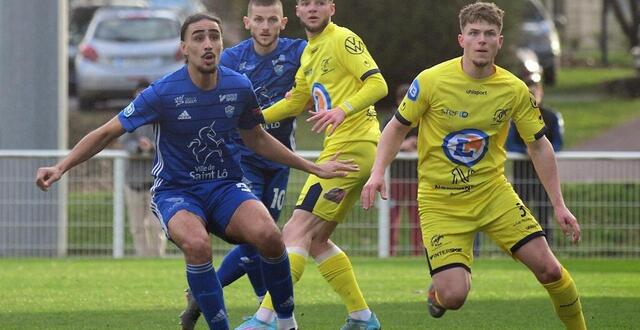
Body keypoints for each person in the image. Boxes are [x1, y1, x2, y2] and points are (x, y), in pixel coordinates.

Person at [36, 13, 358, 330]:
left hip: (225, 187)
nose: (208, 44)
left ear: (221, 44)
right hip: (177, 192)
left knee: (270, 237)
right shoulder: (163, 92)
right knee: (198, 245)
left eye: (214, 36)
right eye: (199, 37)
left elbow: (257, 138)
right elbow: (108, 132)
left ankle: (286, 324)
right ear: (184, 49)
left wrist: (312, 165)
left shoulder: (239, 86)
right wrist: (61, 166)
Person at [361, 2, 586, 329]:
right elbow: (397, 127)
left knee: (550, 270)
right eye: (475, 33)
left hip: (493, 194)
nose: (482, 40)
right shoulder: (431, 81)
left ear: (500, 41)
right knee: (454, 296)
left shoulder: (514, 90)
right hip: (441, 202)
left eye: (489, 34)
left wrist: (559, 204)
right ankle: (437, 293)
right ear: (461, 39)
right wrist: (378, 172)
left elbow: (539, 145)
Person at [236, 0, 387, 329]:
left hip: (350, 149)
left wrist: (343, 110)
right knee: (316, 240)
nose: (313, 8)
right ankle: (362, 317)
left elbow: (378, 84)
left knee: (294, 232)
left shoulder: (343, 39)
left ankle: (264, 319)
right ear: (298, 11)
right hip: (347, 150)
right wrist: (253, 119)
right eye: (307, 3)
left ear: (331, 7)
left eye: (320, 2)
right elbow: (294, 102)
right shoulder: (309, 52)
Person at [178, 1, 307, 328]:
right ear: (248, 22)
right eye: (259, 20)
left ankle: (216, 294)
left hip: (277, 159)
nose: (265, 26)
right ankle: (264, 309)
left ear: (283, 22)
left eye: (272, 20)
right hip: (241, 158)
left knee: (267, 239)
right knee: (256, 236)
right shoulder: (233, 57)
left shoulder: (298, 53)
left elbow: (326, 70)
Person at [506, 74, 564, 243]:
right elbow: (510, 144)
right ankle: (520, 246)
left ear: (541, 92)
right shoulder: (515, 117)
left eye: (535, 91)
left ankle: (548, 246)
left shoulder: (552, 117)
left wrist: (540, 151)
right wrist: (527, 151)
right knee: (521, 212)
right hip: (522, 173)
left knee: (544, 212)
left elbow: (558, 143)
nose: (533, 96)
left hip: (543, 176)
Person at [119, 80, 166, 257]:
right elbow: (124, 142)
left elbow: (167, 143)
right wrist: (138, 147)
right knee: (137, 226)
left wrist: (152, 146)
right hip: (133, 181)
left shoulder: (161, 116)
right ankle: (141, 257)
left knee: (156, 225)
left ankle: (157, 257)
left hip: (155, 182)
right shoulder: (128, 117)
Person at [386, 83, 421, 256]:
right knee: (393, 218)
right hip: (396, 178)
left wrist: (417, 145)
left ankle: (418, 253)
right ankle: (389, 252)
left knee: (418, 219)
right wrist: (402, 145)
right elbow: (381, 142)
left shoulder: (422, 118)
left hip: (416, 177)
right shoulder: (390, 119)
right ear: (399, 100)